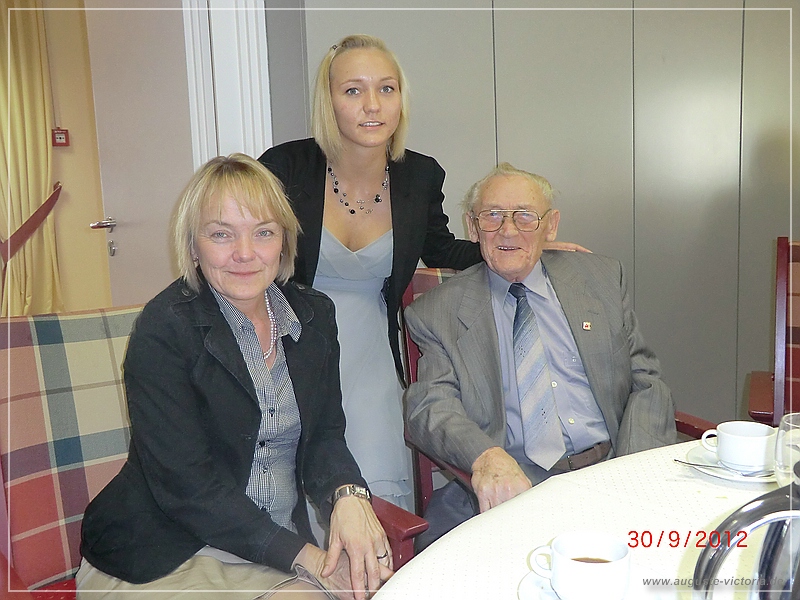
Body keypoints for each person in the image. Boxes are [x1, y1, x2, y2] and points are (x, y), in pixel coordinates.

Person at [258, 34, 584, 511]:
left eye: (386, 89)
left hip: (369, 348)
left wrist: (522, 243)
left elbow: (442, 248)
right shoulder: (284, 167)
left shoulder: (420, 175)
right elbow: (250, 254)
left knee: (374, 483)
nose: (373, 105)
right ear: (328, 101)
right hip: (287, 341)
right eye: (353, 90)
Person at [78, 154, 392, 600]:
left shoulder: (313, 316)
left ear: (284, 241)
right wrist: (309, 559)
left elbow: (325, 435)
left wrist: (349, 495)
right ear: (193, 246)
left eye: (263, 232)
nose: (245, 253)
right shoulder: (165, 329)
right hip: (160, 551)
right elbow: (187, 486)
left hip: (270, 549)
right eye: (221, 234)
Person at [404, 162, 676, 544]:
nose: (508, 230)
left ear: (551, 226)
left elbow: (646, 380)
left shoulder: (600, 279)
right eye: (492, 216)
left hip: (611, 465)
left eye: (525, 216)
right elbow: (430, 405)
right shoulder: (438, 312)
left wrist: (633, 470)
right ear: (472, 227)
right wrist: (485, 456)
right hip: (517, 482)